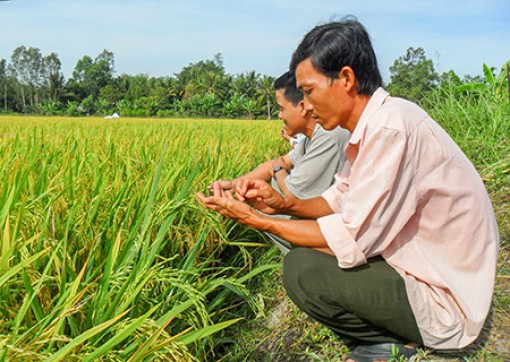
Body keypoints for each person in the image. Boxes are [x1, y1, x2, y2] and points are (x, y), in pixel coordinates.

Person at [197, 18, 500, 362]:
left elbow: (351, 237)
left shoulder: (390, 130)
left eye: (309, 92)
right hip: (418, 265)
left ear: (346, 78)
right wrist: (283, 203)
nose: (305, 106)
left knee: (303, 271)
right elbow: (339, 198)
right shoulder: (372, 128)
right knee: (307, 258)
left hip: (444, 297)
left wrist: (257, 220)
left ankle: (382, 344)